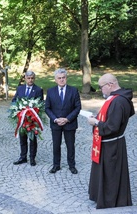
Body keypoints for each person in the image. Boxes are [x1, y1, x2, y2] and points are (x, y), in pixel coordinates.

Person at [87, 73, 134, 209]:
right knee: (107, 171)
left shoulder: (118, 101)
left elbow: (112, 127)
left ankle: (109, 200)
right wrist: (99, 118)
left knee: (111, 173)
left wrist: (96, 122)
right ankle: (100, 195)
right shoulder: (117, 98)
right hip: (108, 142)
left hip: (112, 143)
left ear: (110, 85)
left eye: (101, 87)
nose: (101, 90)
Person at [45, 68, 81, 174]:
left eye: (63, 78)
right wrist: (55, 119)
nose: (61, 80)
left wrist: (67, 119)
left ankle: (72, 165)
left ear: (66, 78)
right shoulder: (50, 91)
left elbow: (77, 107)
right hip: (55, 124)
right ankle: (56, 165)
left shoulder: (73, 90)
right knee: (56, 145)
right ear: (55, 80)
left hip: (70, 123)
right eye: (59, 78)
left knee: (70, 145)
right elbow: (47, 108)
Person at [12, 71, 44, 166]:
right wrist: (17, 108)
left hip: (32, 120)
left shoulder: (38, 90)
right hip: (22, 119)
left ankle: (32, 158)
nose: (30, 80)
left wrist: (33, 112)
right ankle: (23, 157)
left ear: (34, 79)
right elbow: (14, 100)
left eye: (32, 78)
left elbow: (41, 104)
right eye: (28, 78)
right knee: (22, 139)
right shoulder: (20, 88)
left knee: (33, 139)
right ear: (25, 78)